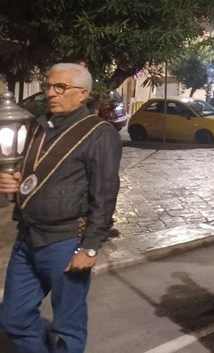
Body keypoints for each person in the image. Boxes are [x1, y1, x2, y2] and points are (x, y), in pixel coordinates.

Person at [0, 63, 122, 352]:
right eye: (48, 86)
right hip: (27, 237)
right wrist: (15, 182)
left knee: (67, 326)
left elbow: (105, 195)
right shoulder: (39, 127)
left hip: (66, 242)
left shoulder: (98, 133)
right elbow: (37, 174)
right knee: (12, 317)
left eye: (60, 87)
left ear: (82, 94)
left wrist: (90, 246)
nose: (50, 93)